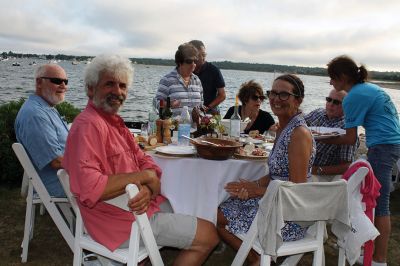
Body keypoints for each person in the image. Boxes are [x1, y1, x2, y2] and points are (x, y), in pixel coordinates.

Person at [62, 54, 218, 265]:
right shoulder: (89, 126)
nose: (118, 91)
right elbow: (90, 187)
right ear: (91, 88)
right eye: (109, 84)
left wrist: (145, 187)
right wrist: (143, 178)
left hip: (134, 207)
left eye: (123, 86)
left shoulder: (113, 122)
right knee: (209, 236)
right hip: (118, 221)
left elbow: (145, 160)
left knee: (181, 205)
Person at [217, 74, 315, 265]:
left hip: (287, 218)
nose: (276, 99)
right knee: (217, 208)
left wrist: (258, 192)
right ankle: (259, 260)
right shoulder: (283, 128)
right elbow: (276, 175)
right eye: (273, 93)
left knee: (217, 217)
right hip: (274, 203)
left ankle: (257, 260)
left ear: (298, 99)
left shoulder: (299, 134)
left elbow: (296, 190)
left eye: (284, 95)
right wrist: (252, 185)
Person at [325, 55, 400, 266]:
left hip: (383, 149)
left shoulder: (353, 97)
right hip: (393, 144)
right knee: (374, 202)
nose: (330, 82)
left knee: (379, 205)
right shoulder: (370, 88)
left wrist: (320, 138)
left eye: (332, 77)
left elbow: (350, 139)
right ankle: (372, 252)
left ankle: (378, 259)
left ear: (343, 77)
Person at [15, 64, 69, 197]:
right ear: (39, 82)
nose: (63, 86)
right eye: (56, 81)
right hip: (61, 182)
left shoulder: (46, 107)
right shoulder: (35, 115)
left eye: (65, 81)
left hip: (68, 175)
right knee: (119, 184)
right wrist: (91, 163)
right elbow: (56, 161)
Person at [304, 89, 357, 181]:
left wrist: (317, 170)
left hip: (321, 176)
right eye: (329, 100)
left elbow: (347, 166)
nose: (331, 104)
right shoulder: (318, 113)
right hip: (301, 165)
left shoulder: (347, 127)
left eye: (336, 102)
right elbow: (297, 125)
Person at [156, 42, 203, 117]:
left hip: (195, 128)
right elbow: (157, 103)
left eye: (195, 61)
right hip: (174, 127)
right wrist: (169, 104)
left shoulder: (197, 80)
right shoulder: (167, 80)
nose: (193, 64)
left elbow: (201, 105)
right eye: (189, 61)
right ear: (180, 62)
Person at [189, 40, 226, 114]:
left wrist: (207, 108)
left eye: (204, 54)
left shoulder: (214, 70)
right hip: (189, 111)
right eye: (199, 55)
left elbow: (222, 95)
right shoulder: (186, 70)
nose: (202, 58)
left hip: (210, 111)